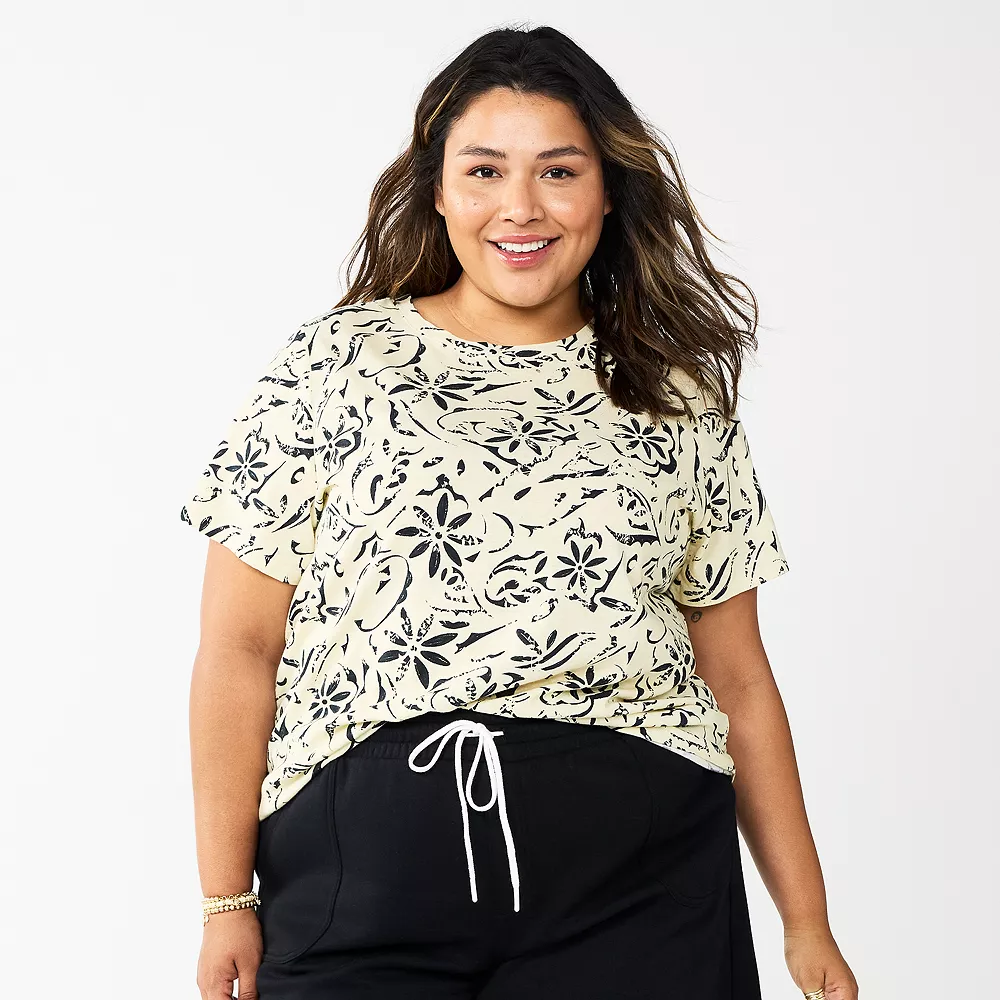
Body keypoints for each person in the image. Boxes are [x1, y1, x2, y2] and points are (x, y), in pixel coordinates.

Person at [181, 24, 858, 1000]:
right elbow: (240, 645)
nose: (521, 207)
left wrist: (806, 920)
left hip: (643, 883)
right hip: (364, 874)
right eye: (485, 170)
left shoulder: (677, 395)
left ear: (607, 190)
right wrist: (224, 897)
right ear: (438, 188)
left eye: (558, 171)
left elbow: (739, 677)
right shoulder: (336, 365)